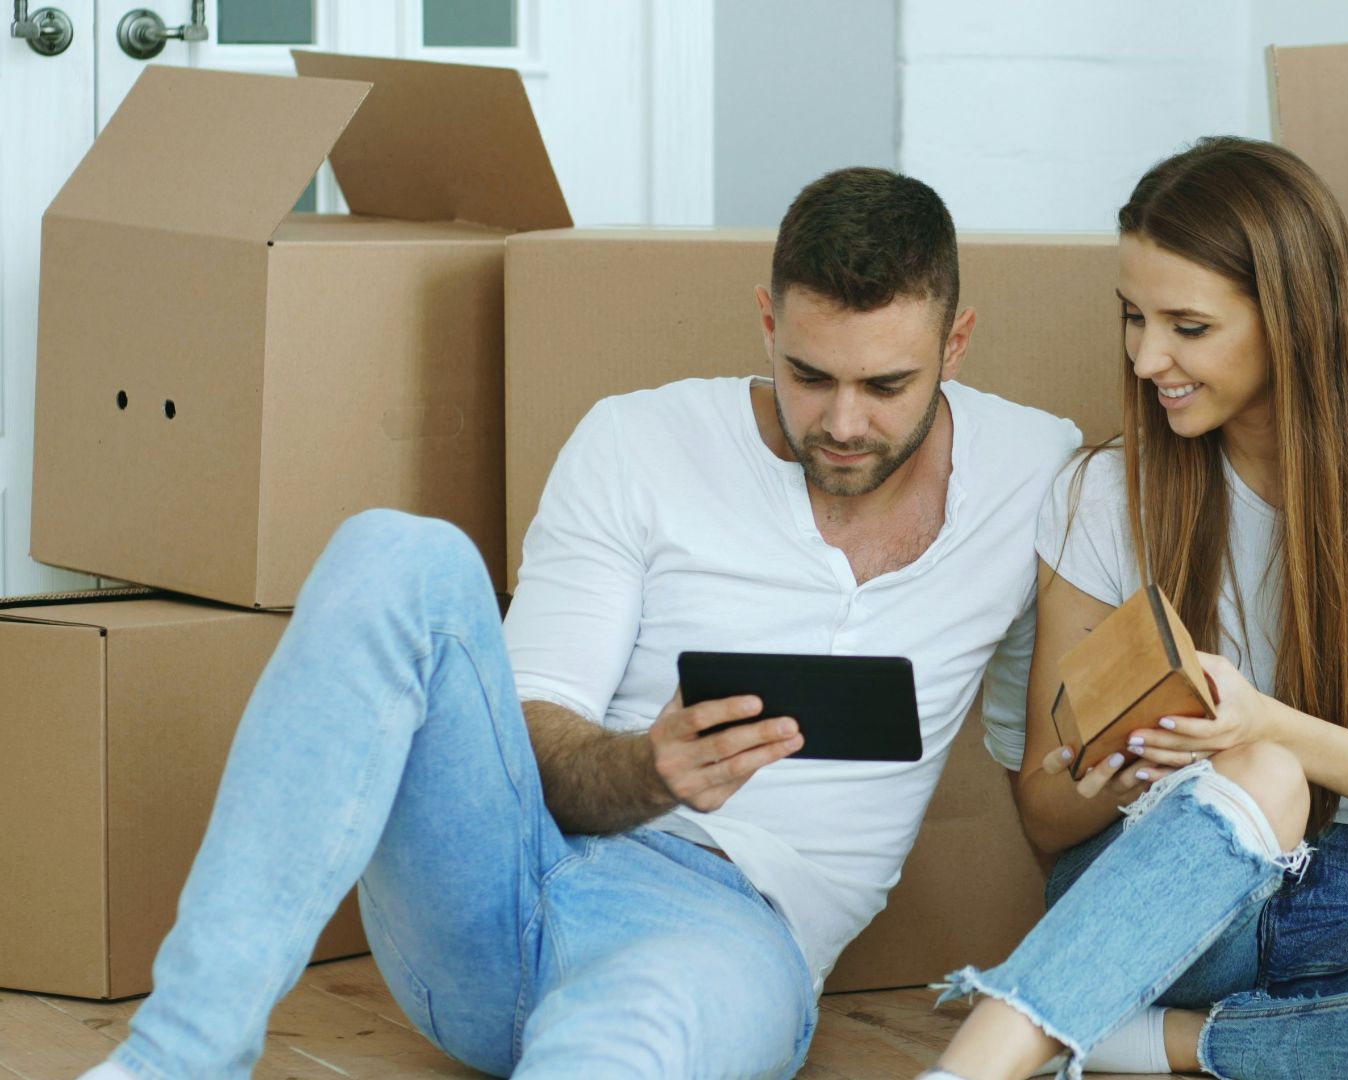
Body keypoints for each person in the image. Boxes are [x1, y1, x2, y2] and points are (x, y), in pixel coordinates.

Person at [81, 166, 1080, 1080]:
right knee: (396, 554)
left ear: (956, 343)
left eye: (887, 385)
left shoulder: (1038, 474)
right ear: (769, 322)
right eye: (813, 377)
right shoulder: (636, 442)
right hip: (500, 883)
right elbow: (533, 727)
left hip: (729, 933)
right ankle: (173, 1060)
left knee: (630, 1030)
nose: (844, 422)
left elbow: (1036, 752)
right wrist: (650, 770)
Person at [924, 137, 1348, 1080]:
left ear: (1290, 317)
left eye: (1187, 327)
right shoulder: (1104, 495)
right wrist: (1147, 762)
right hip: (1166, 889)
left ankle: (1151, 1040)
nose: (1146, 355)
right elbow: (1044, 813)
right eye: (1133, 316)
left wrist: (1262, 723)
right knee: (1264, 778)